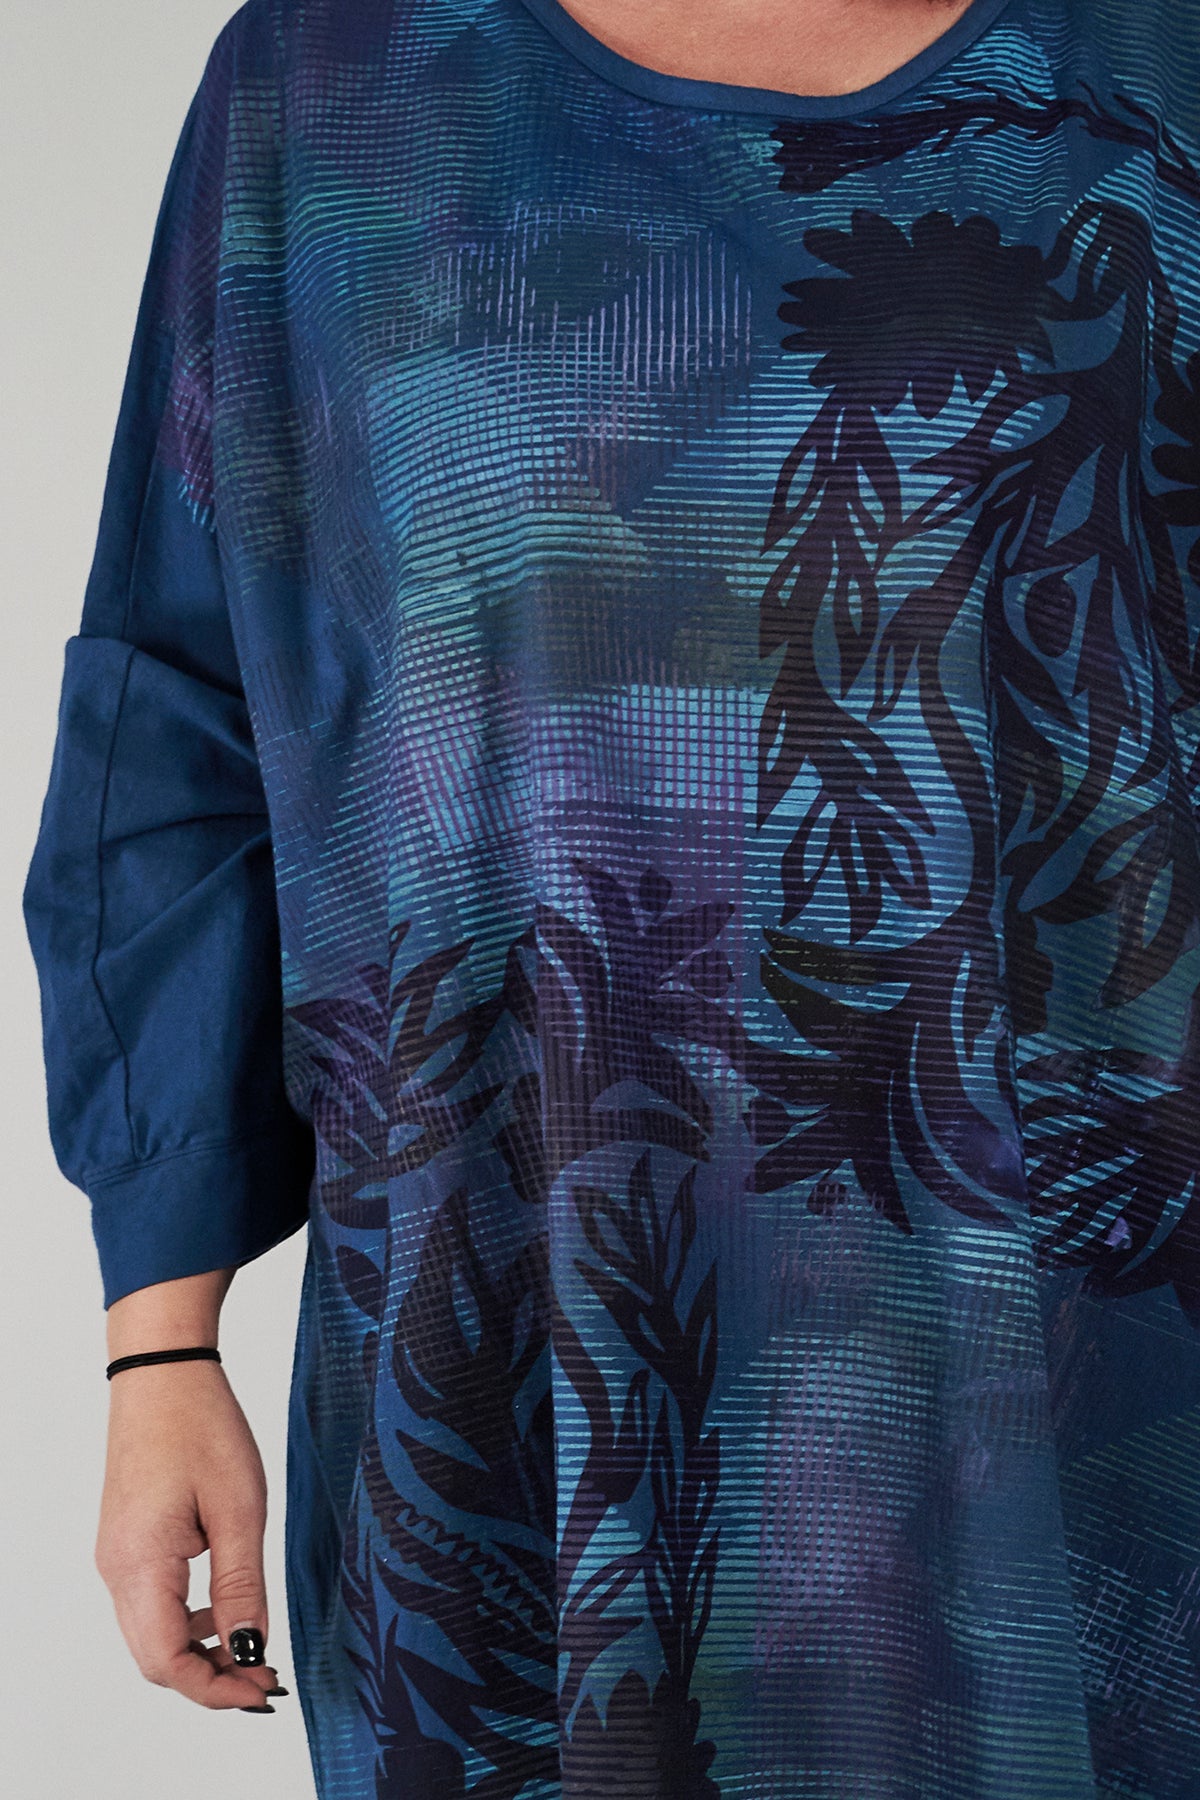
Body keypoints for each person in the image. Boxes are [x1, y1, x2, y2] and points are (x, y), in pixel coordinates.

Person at [22, 0, 1200, 1792]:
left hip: (1087, 1394)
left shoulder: (1158, 73)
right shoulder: (328, 87)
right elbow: (174, 724)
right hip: (509, 1393)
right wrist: (155, 1344)